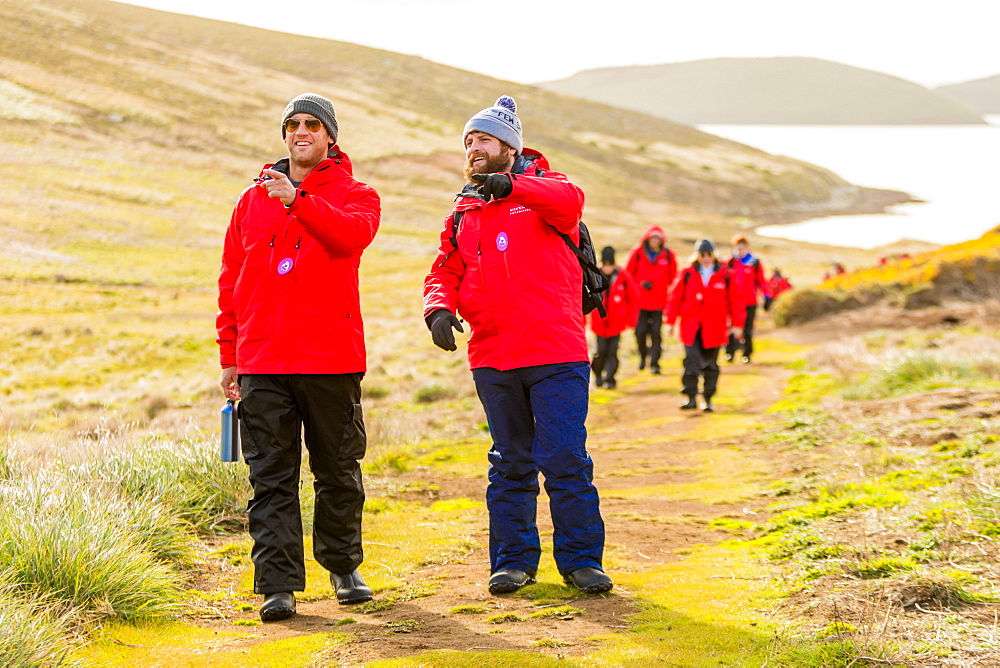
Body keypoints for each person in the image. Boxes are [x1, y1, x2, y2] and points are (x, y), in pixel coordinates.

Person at [423, 95, 612, 595]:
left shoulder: (549, 190)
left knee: (565, 458)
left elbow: (571, 202)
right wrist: (438, 307)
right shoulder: (465, 210)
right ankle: (512, 561)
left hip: (556, 352)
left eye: (483, 138)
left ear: (509, 145)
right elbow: (444, 268)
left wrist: (515, 186)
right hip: (494, 356)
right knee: (509, 462)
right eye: (469, 140)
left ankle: (580, 561)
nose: (473, 147)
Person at [216, 93, 381, 622]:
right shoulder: (249, 201)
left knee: (337, 469)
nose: (301, 132)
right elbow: (231, 281)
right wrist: (230, 355)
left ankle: (343, 566)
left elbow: (349, 237)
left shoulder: (359, 195)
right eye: (293, 125)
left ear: (330, 136)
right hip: (262, 359)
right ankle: (278, 585)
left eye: (312, 124)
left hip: (331, 357)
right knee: (271, 477)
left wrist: (296, 200)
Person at [666, 239, 744, 413]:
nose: (706, 258)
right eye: (703, 254)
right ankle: (690, 397)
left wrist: (737, 324)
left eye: (709, 254)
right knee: (691, 361)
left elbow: (736, 301)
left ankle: (708, 399)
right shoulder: (686, 273)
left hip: (715, 327)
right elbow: (675, 298)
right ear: (697, 255)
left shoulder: (725, 275)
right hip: (691, 325)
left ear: (714, 254)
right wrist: (670, 322)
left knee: (711, 364)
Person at [625, 226, 677, 374]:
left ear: (661, 240)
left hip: (659, 302)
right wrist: (639, 285)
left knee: (655, 333)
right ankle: (643, 356)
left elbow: (674, 279)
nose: (655, 241)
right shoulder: (637, 253)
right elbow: (628, 275)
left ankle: (655, 363)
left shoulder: (668, 255)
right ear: (647, 239)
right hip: (640, 302)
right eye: (652, 238)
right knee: (640, 332)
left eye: (657, 239)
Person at [590, 246, 640, 389]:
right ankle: (598, 375)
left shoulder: (623, 276)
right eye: (605, 264)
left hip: (617, 322)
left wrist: (631, 320)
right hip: (599, 322)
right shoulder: (593, 275)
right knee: (601, 351)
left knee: (613, 352)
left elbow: (633, 299)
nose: (607, 268)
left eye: (610, 265)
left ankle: (610, 379)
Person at [724, 235, 769, 364]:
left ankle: (747, 354)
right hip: (732, 302)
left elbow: (761, 281)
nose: (739, 250)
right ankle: (730, 352)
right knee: (731, 328)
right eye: (737, 248)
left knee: (747, 330)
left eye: (742, 248)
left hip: (750, 302)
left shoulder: (754, 263)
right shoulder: (729, 262)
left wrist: (767, 296)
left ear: (747, 248)